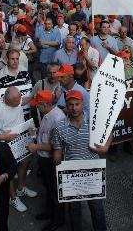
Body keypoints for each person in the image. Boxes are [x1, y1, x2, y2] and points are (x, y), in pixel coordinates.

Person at [52, 90, 111, 231]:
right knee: (74, 209)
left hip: (93, 170)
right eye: (71, 104)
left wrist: (105, 148)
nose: (74, 108)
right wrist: (58, 171)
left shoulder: (94, 121)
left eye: (77, 104)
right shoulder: (60, 127)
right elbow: (57, 151)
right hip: (71, 172)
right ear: (66, 105)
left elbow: (110, 133)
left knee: (97, 208)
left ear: (82, 104)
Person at [0, 86, 37, 212]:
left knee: (26, 160)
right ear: (6, 100)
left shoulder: (16, 99)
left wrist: (33, 96)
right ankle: (13, 198)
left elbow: (22, 101)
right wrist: (3, 136)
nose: (19, 103)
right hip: (5, 142)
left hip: (20, 137)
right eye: (15, 102)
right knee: (10, 169)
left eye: (19, 99)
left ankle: (21, 188)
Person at [27, 90, 66, 231]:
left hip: (51, 161)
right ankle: (50, 212)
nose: (37, 108)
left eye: (38, 105)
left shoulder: (57, 119)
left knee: (55, 190)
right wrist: (37, 131)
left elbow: (56, 146)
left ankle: (59, 219)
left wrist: (36, 146)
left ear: (46, 104)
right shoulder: (48, 114)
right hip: (44, 158)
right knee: (49, 188)